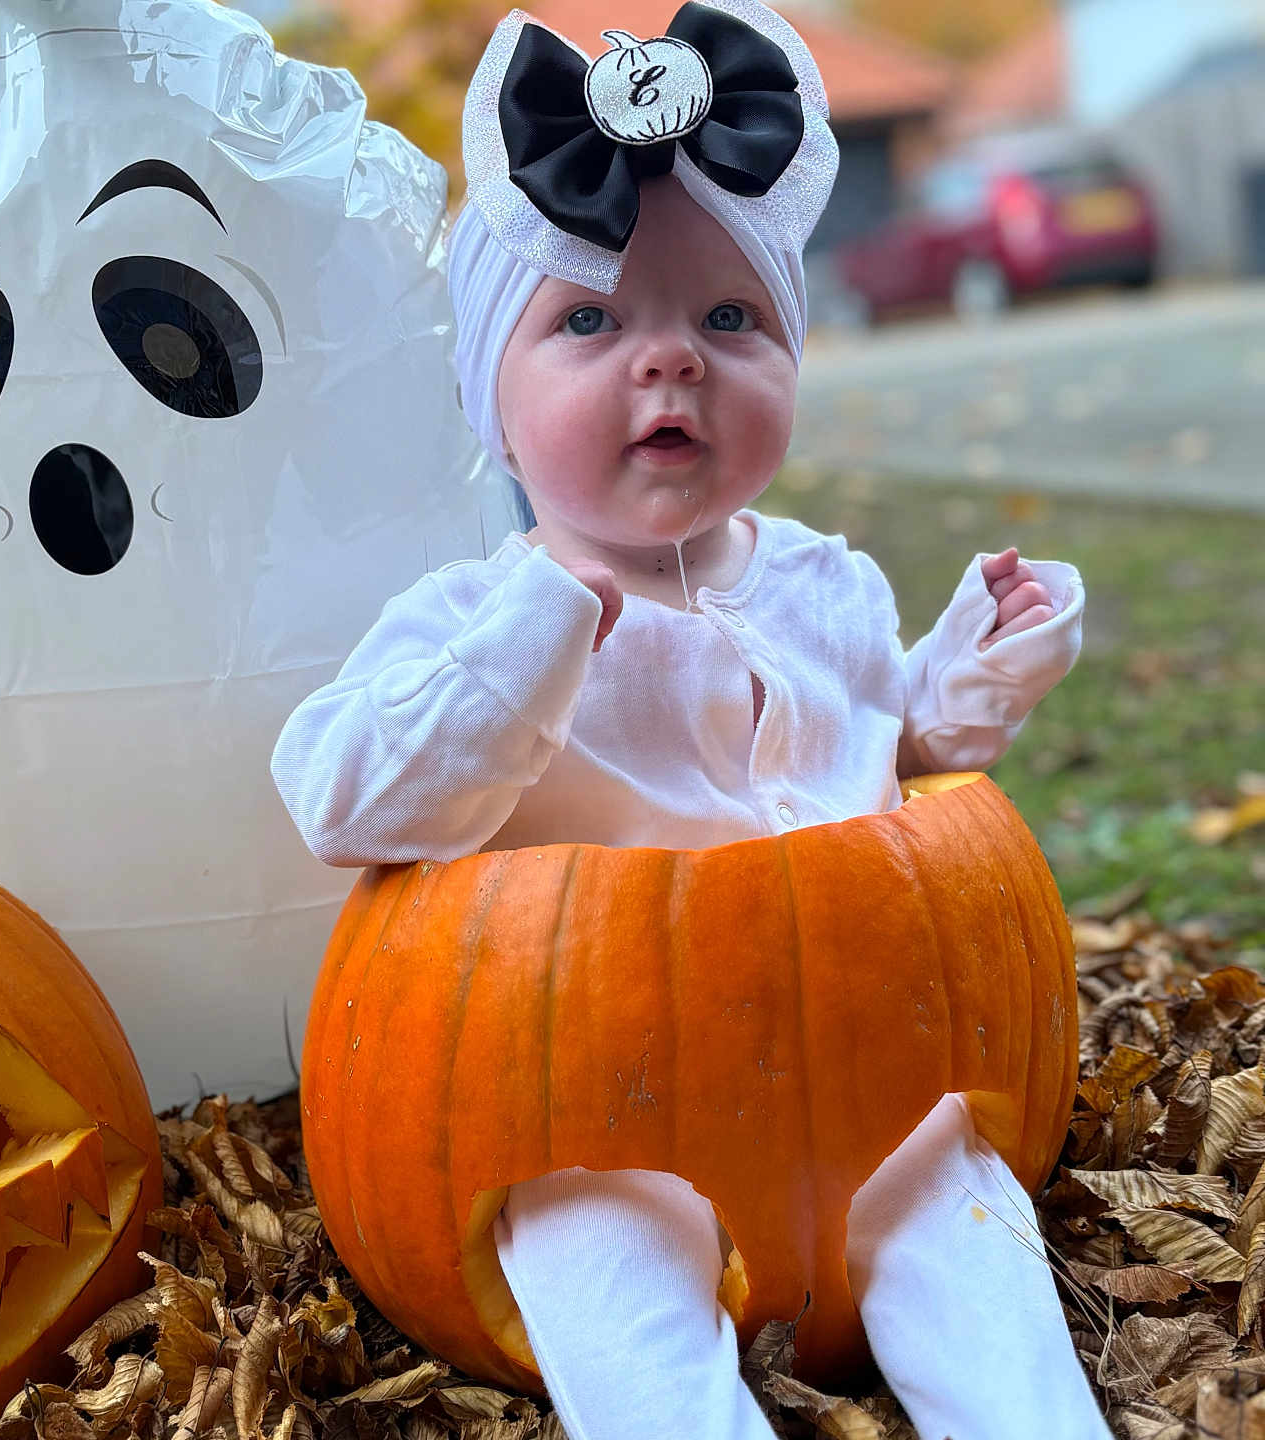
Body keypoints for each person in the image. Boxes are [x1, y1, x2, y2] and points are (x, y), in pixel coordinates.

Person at [271, 3, 1111, 1436]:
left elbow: (904, 763)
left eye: (731, 318)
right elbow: (345, 802)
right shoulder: (467, 620)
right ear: (492, 396)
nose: (670, 361)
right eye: (589, 321)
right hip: (591, 1091)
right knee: (611, 1279)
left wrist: (976, 665)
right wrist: (538, 643)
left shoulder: (825, 584)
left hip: (875, 1061)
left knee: (963, 1236)